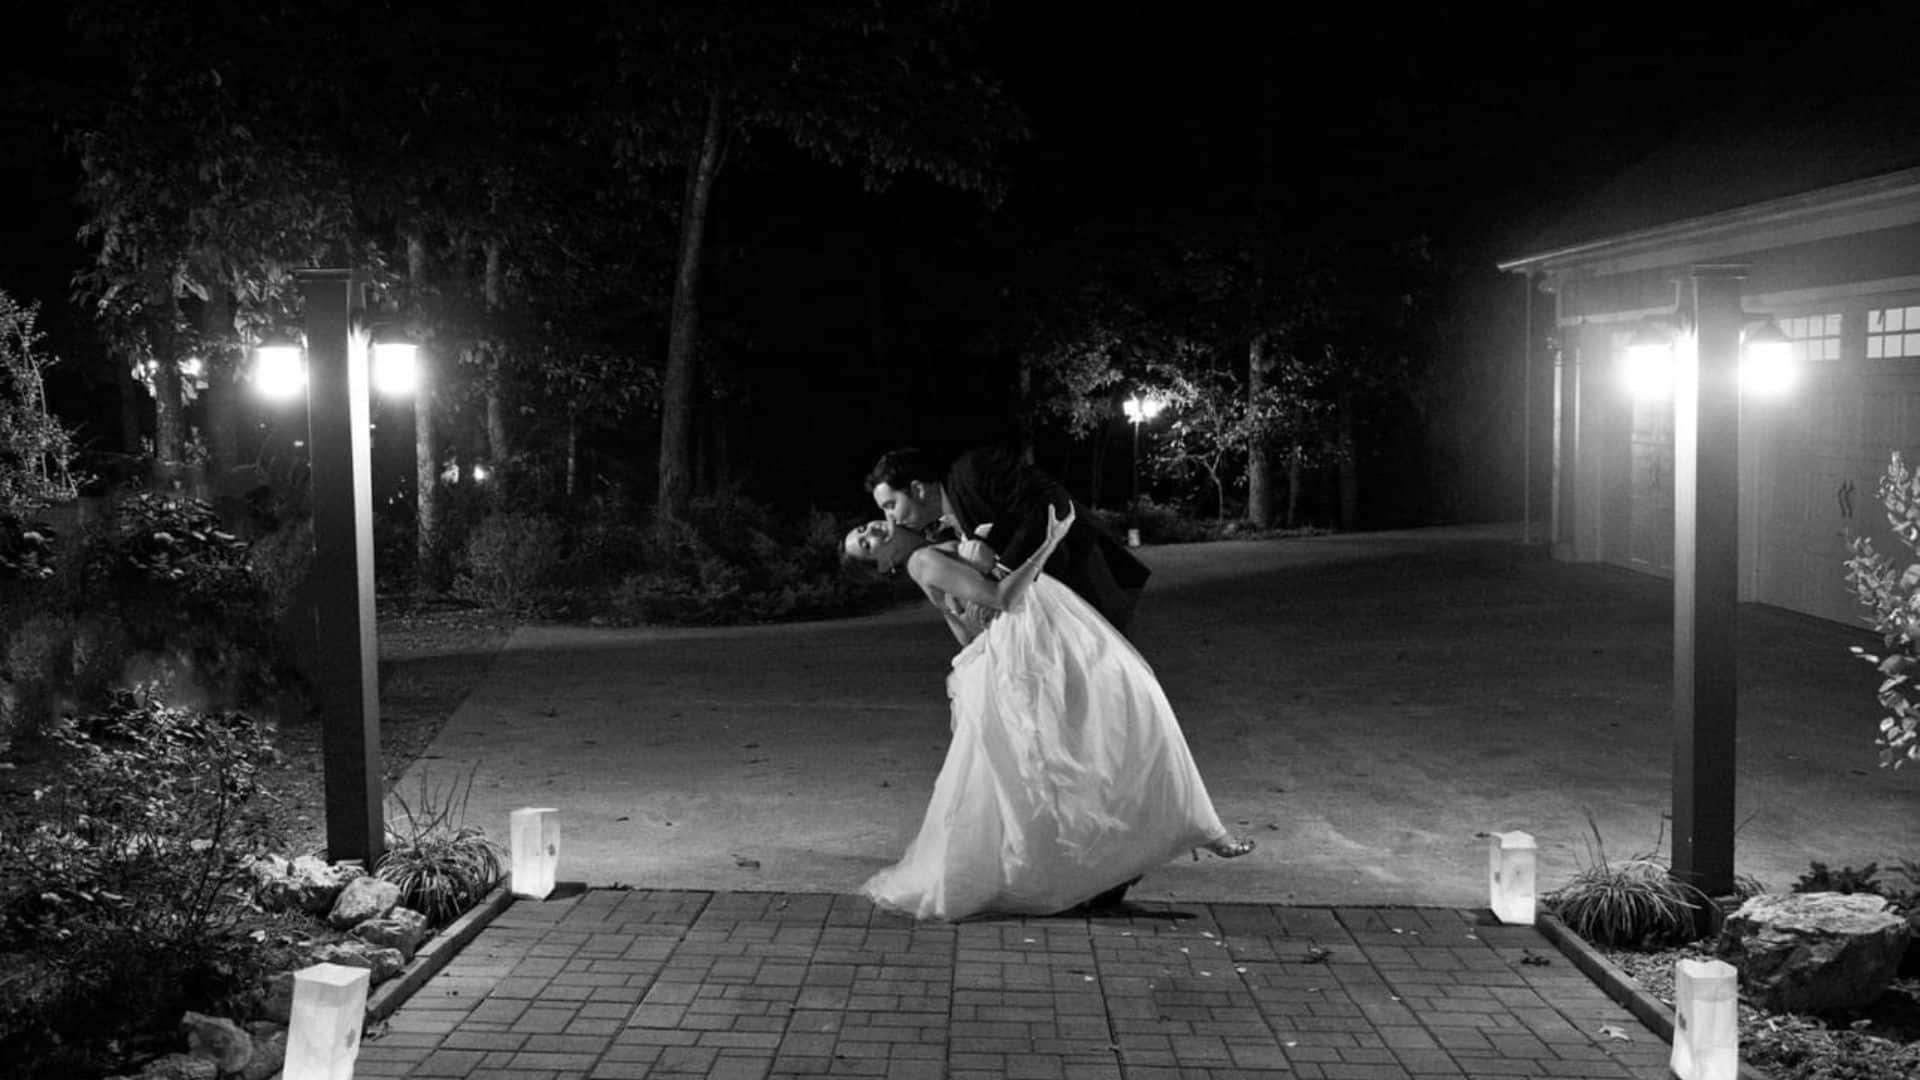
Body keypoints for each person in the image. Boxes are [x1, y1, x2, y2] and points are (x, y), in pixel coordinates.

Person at [842, 507, 1253, 920]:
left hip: (1045, 627)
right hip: (1030, 637)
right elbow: (1003, 598)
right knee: (1093, 742)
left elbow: (965, 625)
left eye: (863, 526)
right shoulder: (922, 560)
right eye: (866, 543)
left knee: (1108, 729)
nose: (872, 527)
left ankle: (1191, 829)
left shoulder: (932, 544)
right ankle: (1179, 834)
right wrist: (1050, 542)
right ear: (883, 565)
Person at [865, 446, 1150, 635]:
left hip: (1082, 587)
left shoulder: (974, 471)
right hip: (1039, 625)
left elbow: (1051, 505)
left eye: (890, 505)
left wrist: (1002, 573)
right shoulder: (940, 535)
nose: (890, 518)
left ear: (917, 489)